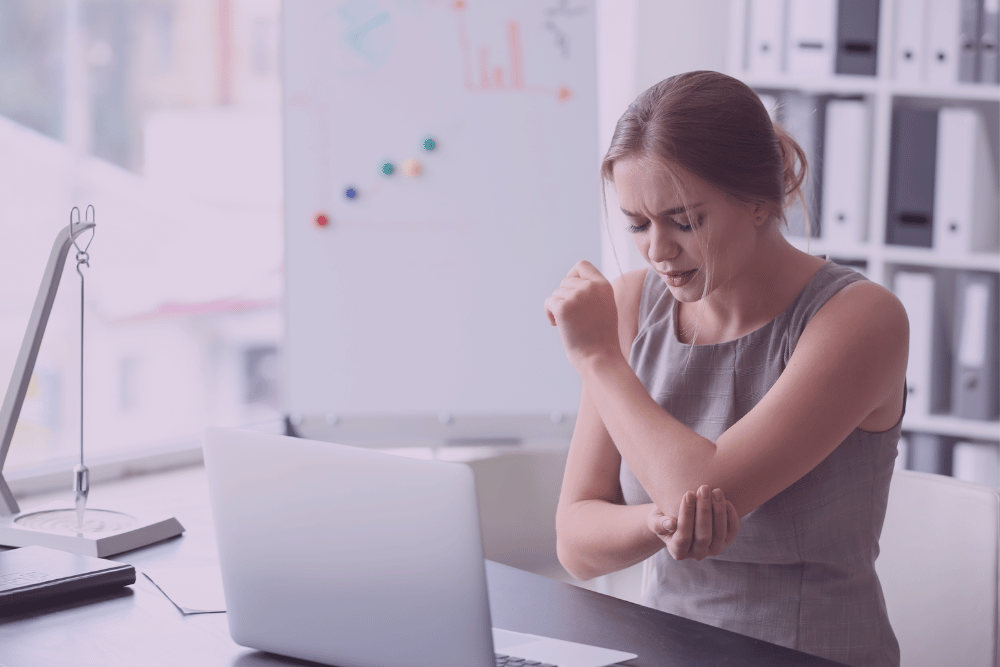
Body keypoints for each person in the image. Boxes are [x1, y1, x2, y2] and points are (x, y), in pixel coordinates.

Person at [544, 71, 907, 667]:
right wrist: (663, 523)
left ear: (762, 199)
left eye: (684, 220)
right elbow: (578, 546)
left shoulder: (860, 318)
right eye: (637, 224)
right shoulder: (634, 304)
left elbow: (698, 487)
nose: (658, 250)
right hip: (659, 653)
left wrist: (597, 358)